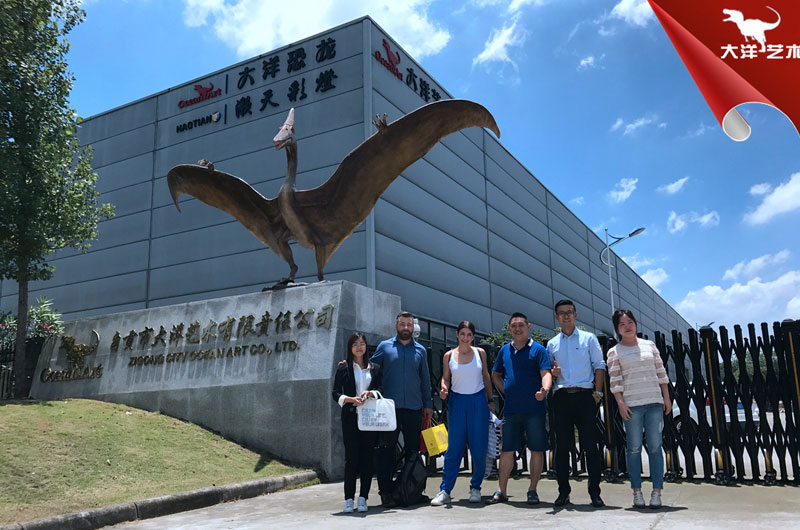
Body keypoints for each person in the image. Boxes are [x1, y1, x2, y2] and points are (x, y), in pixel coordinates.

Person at [607, 309, 671, 509]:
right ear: (617, 329)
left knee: (655, 447)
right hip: (632, 406)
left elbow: (661, 373)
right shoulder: (614, 352)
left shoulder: (649, 345)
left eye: (630, 322)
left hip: (654, 403)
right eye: (622, 324)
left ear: (635, 323)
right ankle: (637, 492)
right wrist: (621, 403)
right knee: (633, 448)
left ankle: (657, 492)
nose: (627, 327)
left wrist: (666, 398)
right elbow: (615, 381)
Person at [547, 299, 606, 508]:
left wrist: (598, 393)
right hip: (562, 397)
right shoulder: (552, 344)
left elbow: (599, 365)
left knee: (590, 446)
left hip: (585, 396)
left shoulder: (589, 339)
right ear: (556, 317)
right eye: (562, 313)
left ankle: (595, 493)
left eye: (569, 312)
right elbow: (548, 372)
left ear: (575, 315)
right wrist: (553, 373)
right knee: (562, 447)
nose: (566, 316)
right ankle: (563, 492)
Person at [488, 312, 552, 505]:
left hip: (534, 409)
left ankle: (532, 490)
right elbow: (495, 374)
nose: (517, 329)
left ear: (528, 327)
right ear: (509, 328)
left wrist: (545, 390)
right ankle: (502, 491)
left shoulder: (539, 350)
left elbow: (546, 373)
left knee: (536, 449)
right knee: (507, 450)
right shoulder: (504, 350)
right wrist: (505, 390)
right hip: (511, 409)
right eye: (513, 326)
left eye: (521, 325)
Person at [370, 311, 433, 507]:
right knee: (387, 452)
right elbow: (370, 369)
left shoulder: (420, 350)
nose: (406, 327)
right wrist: (351, 363)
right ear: (396, 325)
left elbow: (425, 379)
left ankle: (411, 491)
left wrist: (428, 404)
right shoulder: (385, 347)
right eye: (402, 324)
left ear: (413, 327)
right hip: (390, 408)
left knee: (413, 452)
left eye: (409, 324)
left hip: (414, 408)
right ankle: (386, 493)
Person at [430, 321, 493, 506]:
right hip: (457, 402)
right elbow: (446, 378)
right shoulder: (449, 355)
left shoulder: (480, 353)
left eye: (469, 334)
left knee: (478, 447)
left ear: (473, 337)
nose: (466, 338)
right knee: (454, 448)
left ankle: (476, 488)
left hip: (478, 401)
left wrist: (490, 400)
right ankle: (445, 490)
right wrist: (444, 388)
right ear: (457, 334)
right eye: (463, 334)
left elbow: (486, 376)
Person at [331, 332, 383, 513]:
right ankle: (348, 499)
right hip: (350, 417)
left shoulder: (374, 368)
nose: (359, 347)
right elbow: (335, 393)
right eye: (355, 344)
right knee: (351, 459)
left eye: (362, 343)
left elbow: (381, 389)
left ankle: (363, 498)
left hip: (369, 417)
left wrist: (370, 393)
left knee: (367, 458)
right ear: (350, 348)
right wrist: (350, 399)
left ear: (366, 346)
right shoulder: (343, 368)